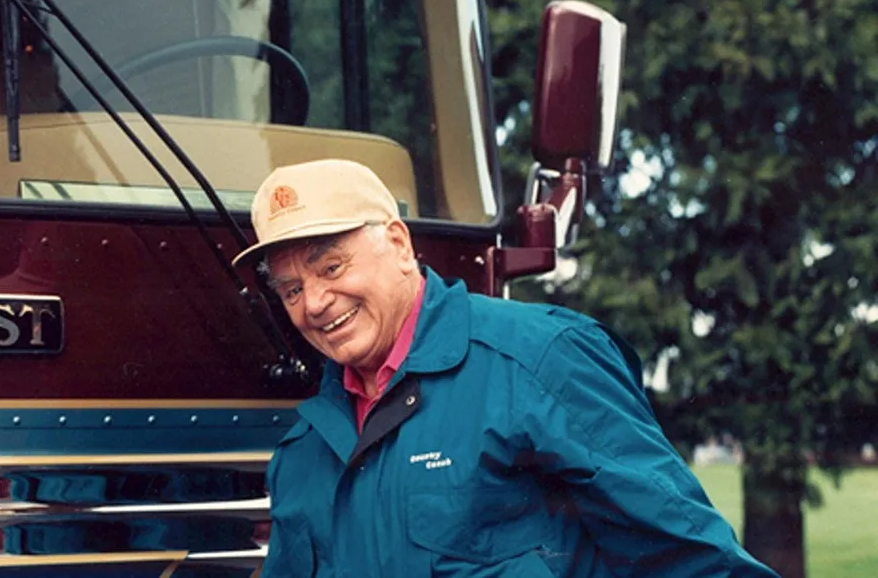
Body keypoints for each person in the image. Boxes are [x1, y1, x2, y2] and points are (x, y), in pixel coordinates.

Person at [232, 159, 777, 577]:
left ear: (398, 244)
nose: (315, 303)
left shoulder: (541, 361)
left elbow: (690, 561)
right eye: (291, 290)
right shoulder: (303, 451)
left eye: (331, 266)